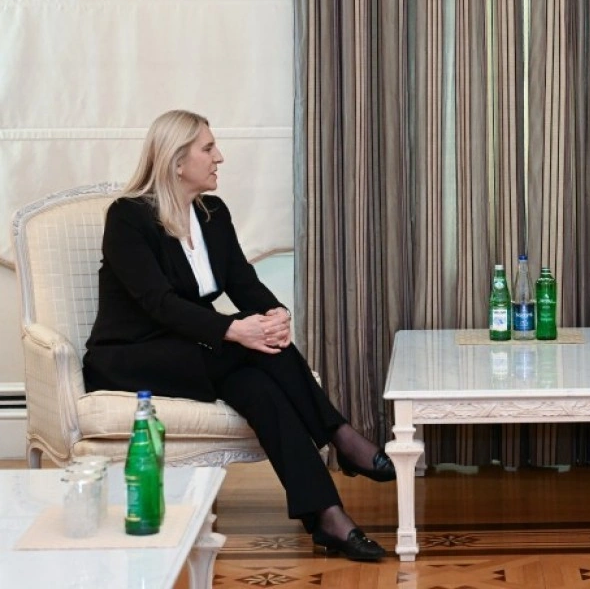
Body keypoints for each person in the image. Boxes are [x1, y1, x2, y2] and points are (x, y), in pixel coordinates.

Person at [83, 109, 394, 562]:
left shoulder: (212, 214)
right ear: (176, 161)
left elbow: (242, 282)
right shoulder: (128, 217)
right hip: (132, 355)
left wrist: (275, 314)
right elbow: (158, 303)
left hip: (194, 350)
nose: (219, 157)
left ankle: (327, 516)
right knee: (254, 351)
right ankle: (340, 434)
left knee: (261, 389)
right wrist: (234, 330)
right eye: (208, 148)